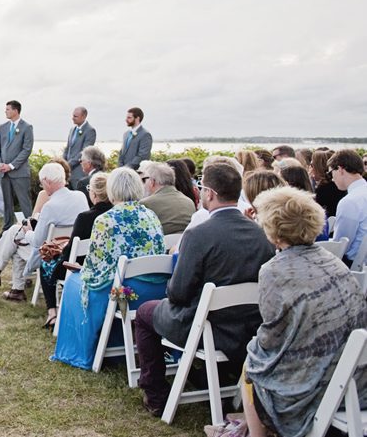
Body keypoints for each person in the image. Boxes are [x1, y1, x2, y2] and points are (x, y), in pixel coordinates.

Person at [134, 162, 275, 416]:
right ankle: (206, 379)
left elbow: (178, 293)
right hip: (248, 328)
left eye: (202, 188)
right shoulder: (262, 234)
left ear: (209, 193)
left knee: (145, 312)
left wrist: (172, 288)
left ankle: (155, 394)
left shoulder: (199, 234)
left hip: (205, 326)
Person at [242, 187, 367, 437]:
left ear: (273, 229)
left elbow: (271, 337)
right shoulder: (333, 261)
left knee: (252, 361)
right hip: (355, 377)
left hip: (315, 383)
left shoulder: (274, 270)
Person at [52, 167, 167, 369]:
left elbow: (96, 270)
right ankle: (113, 345)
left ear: (112, 190)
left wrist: (81, 269)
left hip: (125, 294)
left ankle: (78, 350)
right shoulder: (151, 215)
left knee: (73, 283)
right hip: (155, 290)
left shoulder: (106, 220)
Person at [0, 163, 87, 296]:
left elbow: (37, 242)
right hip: (74, 251)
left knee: (16, 240)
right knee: (15, 237)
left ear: (47, 181)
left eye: (41, 184)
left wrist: (28, 231)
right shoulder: (80, 196)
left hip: (51, 255)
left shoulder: (50, 206)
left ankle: (4, 279)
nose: (42, 187)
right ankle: (14, 289)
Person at [38, 171, 113, 328]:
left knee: (46, 263)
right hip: (107, 269)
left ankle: (52, 312)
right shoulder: (115, 215)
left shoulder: (85, 218)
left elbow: (70, 251)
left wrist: (59, 256)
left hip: (79, 268)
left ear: (94, 194)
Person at [0, 100, 34, 234]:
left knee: (24, 203)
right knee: (7, 203)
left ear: (16, 111)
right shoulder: (2, 127)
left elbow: (26, 150)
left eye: (8, 109)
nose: (5, 111)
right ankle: (6, 231)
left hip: (20, 173)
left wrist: (11, 166)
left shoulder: (27, 127)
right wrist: (0, 164)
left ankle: (30, 231)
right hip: (3, 172)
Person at [329, 149, 367, 266]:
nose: (332, 178)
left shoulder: (350, 201)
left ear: (340, 169)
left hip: (354, 265)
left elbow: (340, 245)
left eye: (331, 172)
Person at [139, 162, 195, 234]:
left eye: (144, 180)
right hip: (186, 239)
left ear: (152, 182)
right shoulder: (189, 202)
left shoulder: (145, 204)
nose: (143, 183)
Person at [64, 106, 97, 190]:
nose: (72, 118)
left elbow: (84, 152)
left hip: (79, 173)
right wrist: (63, 162)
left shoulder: (90, 130)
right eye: (73, 115)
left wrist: (68, 164)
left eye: (75, 116)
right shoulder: (72, 129)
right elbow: (68, 148)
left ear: (83, 116)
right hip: (68, 173)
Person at [310, 149, 344, 217]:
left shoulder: (323, 190)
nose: (311, 169)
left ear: (319, 167)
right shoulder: (341, 185)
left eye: (312, 165)